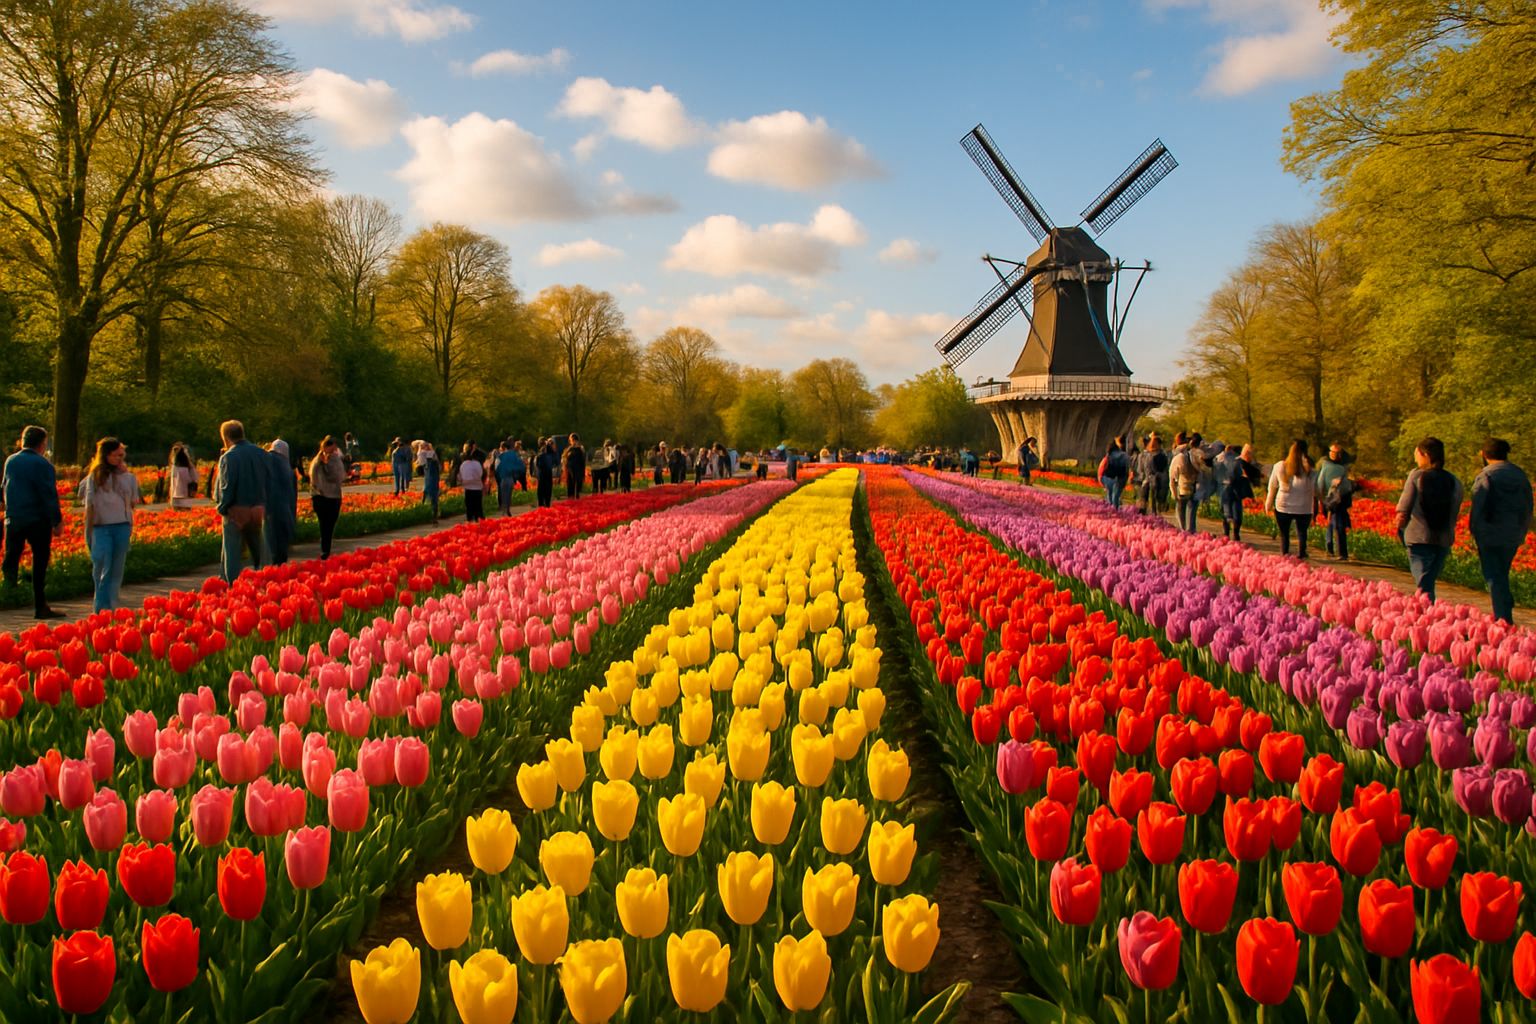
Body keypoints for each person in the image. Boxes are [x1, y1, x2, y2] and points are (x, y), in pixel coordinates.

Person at [1, 426, 64, 618]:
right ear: (42, 443)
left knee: (12, 557)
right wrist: (56, 520)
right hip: (37, 519)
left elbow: (4, 485)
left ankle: (9, 592)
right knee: (40, 561)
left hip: (15, 518)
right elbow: (48, 494)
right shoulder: (43, 464)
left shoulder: (11, 461)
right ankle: (40, 605)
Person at [1470, 437, 1533, 624]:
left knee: (1493, 576)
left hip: (1489, 535)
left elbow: (1479, 507)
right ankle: (1505, 608)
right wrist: (1522, 531)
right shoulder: (1520, 475)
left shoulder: (1486, 476)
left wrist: (1476, 531)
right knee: (1502, 573)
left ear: (1484, 454)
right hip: (1512, 534)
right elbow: (1528, 506)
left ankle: (1503, 617)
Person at [1396, 436, 1463, 602]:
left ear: (1425, 454)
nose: (1415, 458)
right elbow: (1455, 510)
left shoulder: (1416, 477)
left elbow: (1404, 508)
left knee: (1423, 583)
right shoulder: (1454, 480)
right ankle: (1427, 613)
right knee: (1428, 580)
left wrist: (1400, 527)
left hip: (1418, 536)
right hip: (1443, 538)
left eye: (1416, 454)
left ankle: (1426, 615)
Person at [79, 437, 139, 612]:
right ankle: (101, 609)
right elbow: (89, 506)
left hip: (122, 526)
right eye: (116, 455)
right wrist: (88, 530)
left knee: (116, 571)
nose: (120, 459)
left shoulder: (129, 478)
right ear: (105, 455)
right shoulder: (94, 478)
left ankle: (111, 608)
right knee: (102, 569)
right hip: (101, 528)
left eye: (122, 455)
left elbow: (133, 503)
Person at [214, 420, 269, 582]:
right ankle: (266, 582)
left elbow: (227, 487)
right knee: (260, 553)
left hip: (236, 510)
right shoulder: (262, 454)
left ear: (225, 438)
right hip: (259, 509)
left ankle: (232, 588)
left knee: (232, 555)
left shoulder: (229, 457)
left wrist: (223, 508)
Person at [1265, 440, 1317, 559]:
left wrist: (1268, 502)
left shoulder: (1280, 466)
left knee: (1284, 533)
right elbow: (1316, 489)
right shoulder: (1310, 470)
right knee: (1302, 532)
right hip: (1304, 507)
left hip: (1283, 505)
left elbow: (1272, 486)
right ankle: (1302, 553)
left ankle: (1285, 553)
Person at [307, 435, 346, 560]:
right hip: (322, 497)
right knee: (325, 525)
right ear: (325, 447)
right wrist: (325, 463)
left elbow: (340, 476)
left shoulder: (335, 460)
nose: (334, 452)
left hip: (333, 496)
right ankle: (325, 549)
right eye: (332, 449)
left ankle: (326, 548)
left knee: (329, 525)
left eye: (335, 450)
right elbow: (315, 478)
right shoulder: (317, 461)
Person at [1315, 442, 1355, 560]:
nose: (1333, 454)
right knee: (1334, 521)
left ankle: (1338, 550)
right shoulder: (1325, 465)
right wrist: (1321, 497)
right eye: (1332, 451)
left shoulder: (1343, 466)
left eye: (1336, 452)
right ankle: (1334, 549)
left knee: (1337, 522)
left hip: (1341, 498)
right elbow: (1320, 482)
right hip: (1330, 498)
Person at [264, 440, 298, 566]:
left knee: (271, 546)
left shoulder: (265, 462)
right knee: (281, 548)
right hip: (285, 510)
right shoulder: (287, 467)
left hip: (269, 510)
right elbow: (292, 495)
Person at [1214, 444, 1252, 540]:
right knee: (1234, 512)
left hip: (1229, 488)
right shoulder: (1233, 460)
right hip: (1233, 489)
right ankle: (1233, 533)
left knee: (1229, 512)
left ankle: (1230, 533)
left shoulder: (1232, 460)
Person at [1169, 439, 1200, 533]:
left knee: (1180, 509)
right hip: (1194, 487)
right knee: (1192, 509)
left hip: (1182, 488)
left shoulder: (1178, 459)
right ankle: (1191, 529)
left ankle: (1183, 528)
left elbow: (1172, 476)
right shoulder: (1195, 457)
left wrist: (1173, 492)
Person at [1134, 435, 1168, 515]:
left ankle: (1154, 514)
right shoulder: (1145, 455)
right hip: (1146, 480)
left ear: (1159, 445)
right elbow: (1141, 468)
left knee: (1154, 500)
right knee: (1143, 498)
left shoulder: (1162, 456)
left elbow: (1162, 471)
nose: (1152, 445)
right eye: (1152, 443)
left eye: (1155, 444)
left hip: (1157, 482)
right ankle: (1142, 514)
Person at [1098, 440, 1130, 509]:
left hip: (1109, 476)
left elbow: (1102, 467)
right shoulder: (1125, 455)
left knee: (1109, 494)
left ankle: (1109, 508)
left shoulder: (1109, 455)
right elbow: (1127, 468)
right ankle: (1115, 508)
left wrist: (1100, 477)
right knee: (1116, 495)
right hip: (1120, 476)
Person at [460, 443, 485, 522]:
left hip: (467, 488)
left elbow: (460, 476)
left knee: (469, 507)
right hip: (477, 488)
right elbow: (480, 474)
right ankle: (479, 521)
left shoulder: (463, 465)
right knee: (478, 506)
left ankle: (470, 521)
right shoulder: (477, 464)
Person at [418, 442, 441, 522]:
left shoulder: (423, 453)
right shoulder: (433, 455)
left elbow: (420, 462)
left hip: (430, 480)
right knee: (434, 496)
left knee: (429, 494)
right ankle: (434, 513)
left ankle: (429, 513)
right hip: (434, 479)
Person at [168, 444, 197, 508]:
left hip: (175, 496)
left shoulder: (174, 468)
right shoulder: (189, 468)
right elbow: (195, 478)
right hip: (186, 495)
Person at [535, 438, 559, 508]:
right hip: (548, 473)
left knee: (541, 489)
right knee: (548, 490)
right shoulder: (553, 453)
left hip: (541, 473)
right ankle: (546, 504)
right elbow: (556, 463)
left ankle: (541, 504)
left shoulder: (541, 451)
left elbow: (537, 463)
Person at [562, 433, 587, 500]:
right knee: (570, 483)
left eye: (575, 440)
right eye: (572, 440)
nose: (573, 442)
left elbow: (583, 460)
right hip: (570, 469)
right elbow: (564, 459)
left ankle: (577, 494)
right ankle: (571, 495)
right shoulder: (568, 450)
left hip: (578, 468)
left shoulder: (581, 449)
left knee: (578, 482)